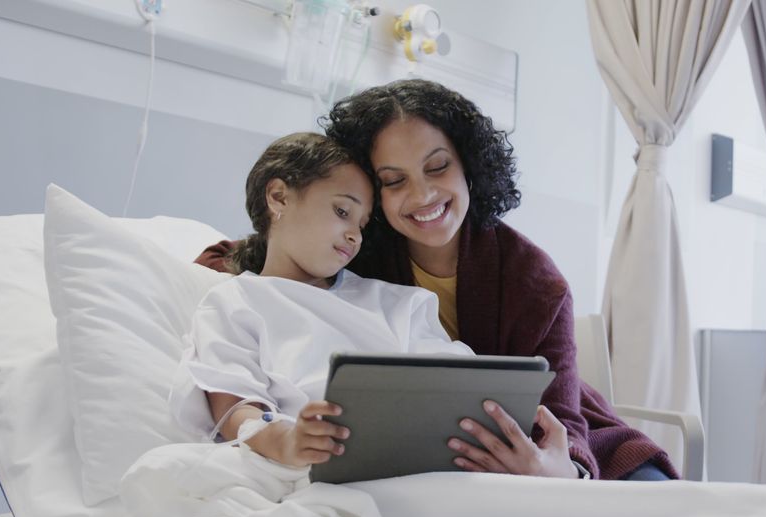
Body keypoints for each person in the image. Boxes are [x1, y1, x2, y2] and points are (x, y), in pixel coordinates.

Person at [196, 81, 676, 480]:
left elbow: (561, 417)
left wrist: (562, 470)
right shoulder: (356, 250)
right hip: (439, 456)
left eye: (438, 167)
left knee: (654, 500)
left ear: (469, 163)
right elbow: (267, 261)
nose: (422, 194)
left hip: (557, 432)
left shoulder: (533, 281)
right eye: (393, 180)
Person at [171, 133, 577, 477]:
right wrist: (288, 441)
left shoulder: (397, 303)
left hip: (433, 472)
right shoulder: (235, 301)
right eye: (342, 211)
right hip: (314, 470)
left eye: (362, 225)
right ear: (278, 197)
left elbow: (462, 383)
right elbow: (236, 410)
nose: (354, 236)